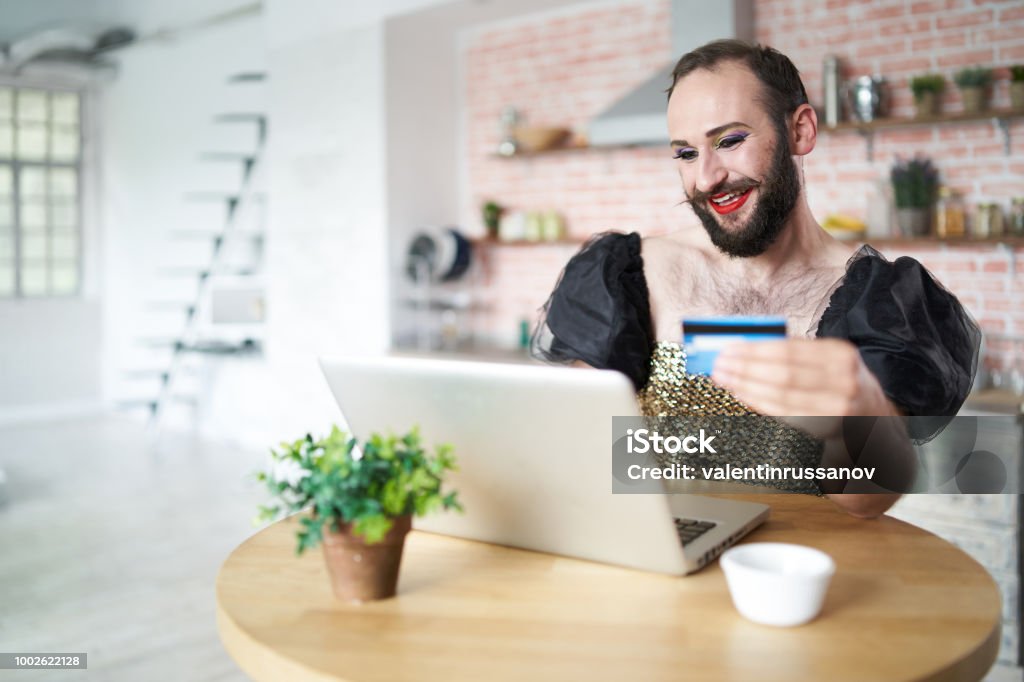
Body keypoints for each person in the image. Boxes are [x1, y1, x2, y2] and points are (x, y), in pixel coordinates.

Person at [532, 40, 980, 517]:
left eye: (729, 141)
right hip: (659, 566)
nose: (706, 178)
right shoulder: (626, 274)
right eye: (685, 153)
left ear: (800, 131)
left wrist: (859, 412)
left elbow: (870, 499)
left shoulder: (881, 298)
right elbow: (587, 451)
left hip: (790, 578)